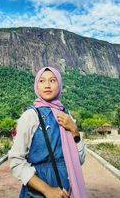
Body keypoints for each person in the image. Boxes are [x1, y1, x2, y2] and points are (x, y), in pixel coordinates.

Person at [8, 66, 87, 198]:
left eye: (52, 80)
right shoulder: (30, 116)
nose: (47, 85)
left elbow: (79, 160)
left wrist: (75, 131)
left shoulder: (66, 116)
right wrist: (47, 190)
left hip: (67, 188)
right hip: (38, 190)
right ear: (36, 86)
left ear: (59, 84)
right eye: (42, 81)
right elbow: (16, 161)